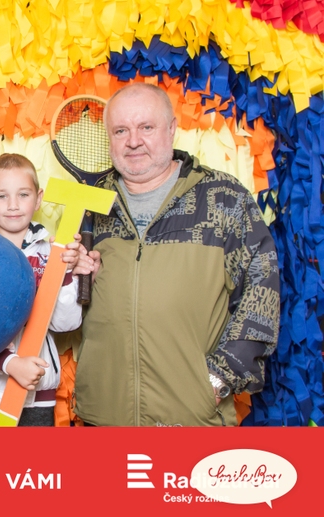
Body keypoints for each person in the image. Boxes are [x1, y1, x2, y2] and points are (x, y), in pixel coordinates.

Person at [74, 83, 280, 426]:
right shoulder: (93, 203)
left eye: (146, 127)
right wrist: (75, 278)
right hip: (103, 417)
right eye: (121, 130)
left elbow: (262, 290)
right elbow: (69, 307)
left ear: (171, 129)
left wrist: (217, 380)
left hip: (192, 419)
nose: (133, 141)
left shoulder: (222, 197)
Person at [0, 153, 99, 426]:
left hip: (38, 388)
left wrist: (65, 273)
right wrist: (8, 363)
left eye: (23, 195)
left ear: (38, 198)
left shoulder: (52, 253)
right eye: (2, 196)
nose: (13, 205)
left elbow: (66, 324)